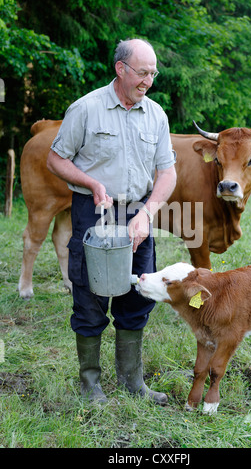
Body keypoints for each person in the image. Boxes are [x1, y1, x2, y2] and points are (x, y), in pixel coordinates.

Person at [47, 38, 177, 405]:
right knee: (88, 298)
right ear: (121, 69)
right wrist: (90, 182)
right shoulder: (86, 109)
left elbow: (167, 173)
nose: (148, 80)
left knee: (138, 297)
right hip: (94, 211)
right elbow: (56, 159)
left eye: (152, 73)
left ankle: (132, 382)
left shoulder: (156, 115)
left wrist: (147, 214)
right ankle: (90, 386)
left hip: (138, 214)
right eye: (142, 72)